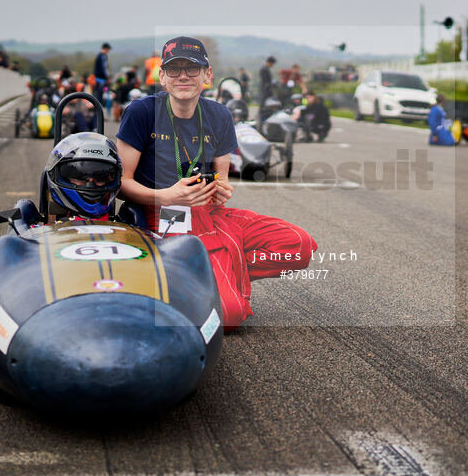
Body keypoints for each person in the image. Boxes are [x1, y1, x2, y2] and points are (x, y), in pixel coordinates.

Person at [116, 36, 317, 330]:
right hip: (161, 220)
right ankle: (216, 277)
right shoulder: (142, 111)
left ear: (207, 75)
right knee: (229, 315)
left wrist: (221, 190)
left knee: (299, 246)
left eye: (192, 68)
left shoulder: (220, 116)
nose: (183, 75)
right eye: (174, 69)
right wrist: (166, 196)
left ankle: (219, 271)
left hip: (210, 216)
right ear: (162, 77)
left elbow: (220, 181)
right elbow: (121, 183)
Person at [41, 132, 122, 222]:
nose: (90, 183)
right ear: (62, 177)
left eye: (100, 175)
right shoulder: (40, 231)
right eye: (81, 175)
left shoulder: (125, 223)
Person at [93, 42, 111, 127]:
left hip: (97, 79)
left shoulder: (98, 56)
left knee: (97, 97)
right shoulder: (103, 56)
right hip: (101, 80)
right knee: (101, 98)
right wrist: (107, 77)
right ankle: (98, 116)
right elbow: (104, 68)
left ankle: (97, 116)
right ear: (106, 49)